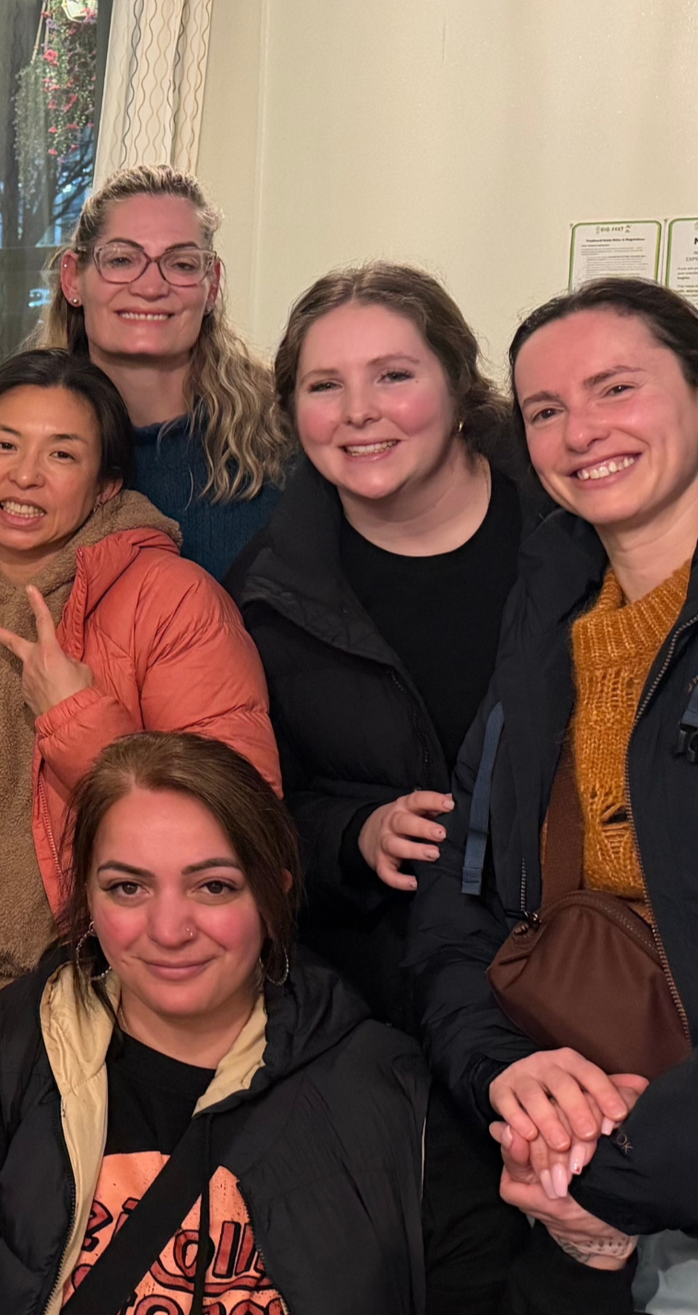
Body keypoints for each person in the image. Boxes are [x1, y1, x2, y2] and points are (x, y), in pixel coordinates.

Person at [0, 731, 638, 1315]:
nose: (168, 928)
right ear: (87, 900)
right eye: (126, 887)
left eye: (212, 885)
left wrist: (584, 1253)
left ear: (275, 888)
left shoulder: (390, 1095)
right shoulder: (6, 1058)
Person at [407, 278, 698, 1315]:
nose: (579, 431)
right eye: (543, 409)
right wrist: (504, 1072)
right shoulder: (553, 615)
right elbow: (461, 904)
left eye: (614, 389)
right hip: (582, 1205)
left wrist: (626, 1169)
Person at [0, 348, 278, 1093]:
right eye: (3, 445)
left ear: (104, 486)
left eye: (61, 454)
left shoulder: (171, 599)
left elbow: (244, 825)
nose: (24, 475)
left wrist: (76, 721)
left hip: (117, 984)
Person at [227, 263, 553, 1029]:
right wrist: (354, 833)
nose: (358, 413)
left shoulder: (569, 532)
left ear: (458, 387)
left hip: (578, 973)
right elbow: (249, 810)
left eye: (393, 375)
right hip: (377, 993)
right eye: (323, 386)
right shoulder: (262, 594)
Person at [29, 165, 290, 578]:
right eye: (121, 259)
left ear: (212, 285)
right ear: (73, 279)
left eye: (182, 264)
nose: (151, 287)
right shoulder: (18, 439)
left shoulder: (282, 438)